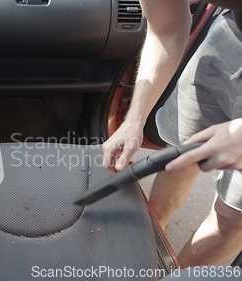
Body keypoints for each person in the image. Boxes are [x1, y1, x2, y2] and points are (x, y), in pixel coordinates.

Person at [102, 0, 242, 267]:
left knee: (233, 215)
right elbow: (165, 29)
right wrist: (134, 120)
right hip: (229, 39)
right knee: (179, 154)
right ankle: (152, 243)